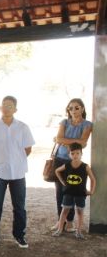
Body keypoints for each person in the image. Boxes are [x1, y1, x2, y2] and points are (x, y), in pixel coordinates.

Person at [0, 96, 35, 249]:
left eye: (10, 106)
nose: (6, 108)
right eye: (4, 105)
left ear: (15, 109)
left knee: (19, 207)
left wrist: (16, 160)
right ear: (0, 108)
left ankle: (19, 235)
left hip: (18, 173)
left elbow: (28, 149)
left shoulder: (23, 127)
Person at [52, 98, 92, 232]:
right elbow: (59, 139)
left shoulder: (87, 125)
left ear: (82, 109)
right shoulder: (64, 122)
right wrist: (75, 141)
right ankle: (60, 222)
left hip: (74, 162)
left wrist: (65, 141)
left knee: (73, 190)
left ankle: (69, 222)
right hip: (59, 159)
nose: (73, 110)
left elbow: (83, 142)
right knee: (60, 191)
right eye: (70, 108)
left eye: (76, 107)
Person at [52, 142, 96, 239]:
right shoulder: (67, 165)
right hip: (68, 193)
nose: (75, 155)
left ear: (81, 154)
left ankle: (79, 231)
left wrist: (92, 191)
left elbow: (93, 179)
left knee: (80, 212)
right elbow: (57, 171)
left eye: (77, 153)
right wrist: (62, 181)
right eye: (72, 153)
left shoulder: (85, 166)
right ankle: (59, 229)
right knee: (64, 211)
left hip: (80, 193)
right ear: (69, 155)